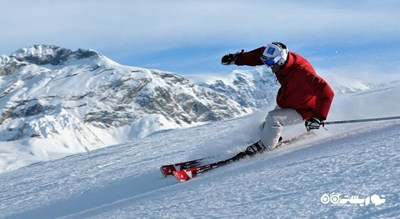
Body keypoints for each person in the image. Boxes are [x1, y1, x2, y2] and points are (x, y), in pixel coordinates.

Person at [221, 42, 334, 155]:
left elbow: (326, 91)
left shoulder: (303, 72)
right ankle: (268, 139)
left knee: (273, 119)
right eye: (265, 61)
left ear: (281, 60)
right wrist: (236, 59)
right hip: (288, 101)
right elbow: (256, 56)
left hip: (304, 109)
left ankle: (266, 146)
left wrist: (317, 118)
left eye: (270, 62)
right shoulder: (278, 59)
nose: (268, 65)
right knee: (265, 127)